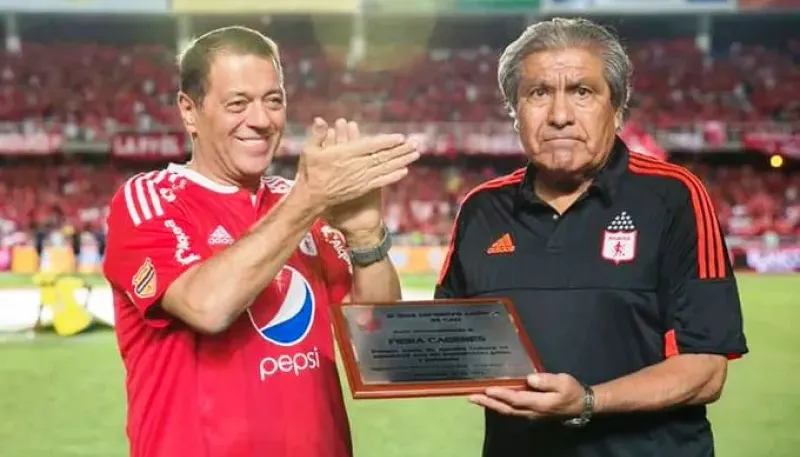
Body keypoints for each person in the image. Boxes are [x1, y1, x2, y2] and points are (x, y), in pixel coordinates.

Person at [435, 17, 747, 457]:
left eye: (582, 92)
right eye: (538, 93)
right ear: (514, 111)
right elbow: (445, 344)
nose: (560, 116)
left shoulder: (674, 196)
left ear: (616, 109)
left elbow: (707, 370)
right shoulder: (481, 210)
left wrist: (587, 401)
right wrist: (369, 241)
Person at [102, 26, 419, 457]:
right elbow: (206, 307)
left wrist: (365, 237)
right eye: (238, 103)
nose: (262, 120)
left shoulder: (302, 203)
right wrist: (309, 199)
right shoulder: (150, 200)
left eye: (274, 101)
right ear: (189, 111)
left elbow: (382, 354)